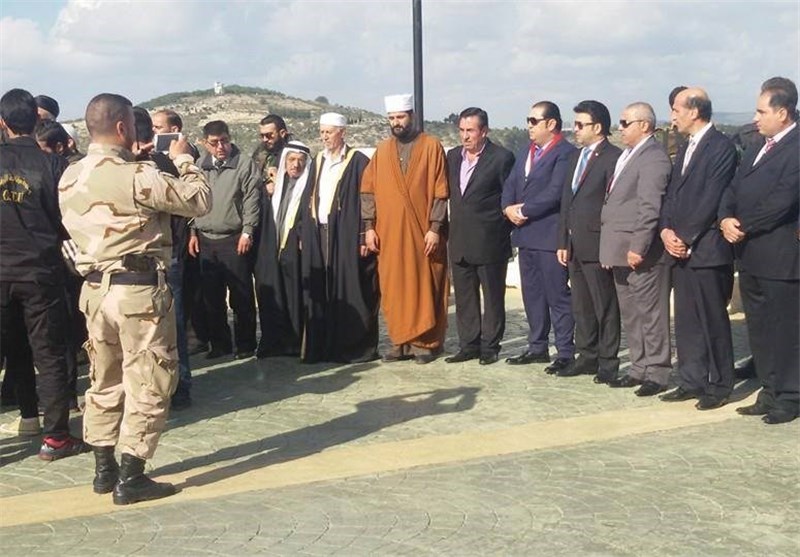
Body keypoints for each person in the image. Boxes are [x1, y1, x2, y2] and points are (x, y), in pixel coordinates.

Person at [58, 92, 211, 504]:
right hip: (138, 292)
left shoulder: (69, 176)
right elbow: (199, 200)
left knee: (103, 380)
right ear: (123, 127)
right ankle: (132, 476)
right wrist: (183, 159)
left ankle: (103, 469)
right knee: (149, 380)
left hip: (94, 291)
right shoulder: (138, 175)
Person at [0, 88, 81, 457]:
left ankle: (29, 418)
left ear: (3, 122)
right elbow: (67, 220)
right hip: (40, 270)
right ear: (36, 119)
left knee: (16, 349)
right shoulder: (52, 165)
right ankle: (56, 436)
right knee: (48, 353)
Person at [719, 77, 799, 424]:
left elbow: (783, 200)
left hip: (780, 255)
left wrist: (743, 225)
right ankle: (768, 390)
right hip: (750, 255)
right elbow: (733, 186)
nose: (755, 118)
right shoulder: (756, 147)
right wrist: (725, 218)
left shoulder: (796, 147)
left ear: (782, 113)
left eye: (761, 111)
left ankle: (791, 395)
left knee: (785, 330)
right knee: (760, 328)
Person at [659, 88, 738, 410]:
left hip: (707, 249)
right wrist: (665, 230)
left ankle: (720, 384)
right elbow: (672, 195)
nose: (672, 116)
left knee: (712, 321)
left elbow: (711, 198)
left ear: (694, 111)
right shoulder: (685, 147)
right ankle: (692, 379)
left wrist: (685, 237)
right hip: (679, 249)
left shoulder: (721, 147)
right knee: (688, 321)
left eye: (676, 109)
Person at [360, 93, 449, 364]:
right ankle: (400, 342)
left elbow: (440, 191)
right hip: (389, 234)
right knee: (393, 286)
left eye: (400, 117)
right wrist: (369, 227)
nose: (396, 122)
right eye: (391, 118)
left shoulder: (432, 146)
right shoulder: (382, 150)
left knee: (424, 285)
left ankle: (425, 343)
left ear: (412, 116)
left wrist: (435, 227)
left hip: (422, 233)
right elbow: (368, 191)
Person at [599, 102, 673, 397]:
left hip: (641, 252)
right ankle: (638, 367)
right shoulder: (628, 155)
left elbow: (649, 207)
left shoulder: (653, 157)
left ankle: (657, 372)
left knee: (650, 314)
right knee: (631, 314)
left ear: (644, 125)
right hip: (619, 250)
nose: (620, 128)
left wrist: (638, 246)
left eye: (625, 122)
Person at [501, 101, 576, 372]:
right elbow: (511, 183)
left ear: (551, 123)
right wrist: (507, 208)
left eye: (534, 121)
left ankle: (565, 350)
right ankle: (537, 346)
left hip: (549, 236)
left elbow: (555, 193)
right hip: (525, 236)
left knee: (557, 295)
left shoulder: (565, 153)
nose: (529, 126)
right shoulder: (526, 151)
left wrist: (523, 210)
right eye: (528, 120)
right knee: (532, 295)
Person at [300, 113, 380, 363]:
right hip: (320, 233)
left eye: (329, 132)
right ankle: (324, 347)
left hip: (346, 235)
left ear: (342, 132)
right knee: (323, 289)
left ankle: (353, 349)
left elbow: (368, 201)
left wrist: (363, 235)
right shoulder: (318, 160)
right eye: (322, 132)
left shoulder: (358, 161)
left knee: (349, 288)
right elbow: (309, 196)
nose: (324, 137)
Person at [555, 101, 622, 383]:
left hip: (597, 244)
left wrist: (609, 245)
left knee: (604, 304)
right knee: (581, 304)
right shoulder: (575, 157)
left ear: (598, 127)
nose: (576, 130)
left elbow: (613, 204)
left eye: (581, 125)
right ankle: (587, 355)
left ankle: (608, 361)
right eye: (575, 124)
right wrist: (563, 240)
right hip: (574, 245)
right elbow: (566, 201)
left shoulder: (613, 157)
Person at [132, 107, 193, 410]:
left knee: (161, 327)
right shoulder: (162, 164)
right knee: (169, 326)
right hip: (162, 257)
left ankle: (169, 387)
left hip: (149, 261)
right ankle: (174, 387)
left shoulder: (153, 165)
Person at [445, 107, 514, 366]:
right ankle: (469, 345)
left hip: (490, 241)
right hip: (460, 240)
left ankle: (490, 346)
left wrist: (502, 231)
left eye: (470, 131)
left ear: (484, 131)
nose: (465, 136)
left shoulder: (501, 158)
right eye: (461, 130)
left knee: (493, 298)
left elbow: (509, 197)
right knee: (464, 298)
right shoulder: (453, 156)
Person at [189, 120, 260, 360]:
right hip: (206, 240)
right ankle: (220, 344)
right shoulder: (200, 166)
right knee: (212, 297)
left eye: (224, 141)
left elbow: (251, 200)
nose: (220, 147)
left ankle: (246, 344)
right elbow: (193, 200)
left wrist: (247, 231)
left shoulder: (244, 164)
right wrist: (192, 232)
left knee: (241, 296)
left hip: (234, 239)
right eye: (214, 143)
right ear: (205, 143)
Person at [253, 141, 312, 358]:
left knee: (295, 296)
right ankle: (273, 342)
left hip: (295, 251)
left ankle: (295, 343)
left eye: (300, 161)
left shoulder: (309, 187)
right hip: (272, 249)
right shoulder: (274, 186)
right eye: (291, 160)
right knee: (272, 296)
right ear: (284, 161)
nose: (296, 165)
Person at [252, 114, 290, 196]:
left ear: (282, 133)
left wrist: (278, 183)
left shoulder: (294, 154)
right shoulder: (260, 152)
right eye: (262, 136)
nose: (265, 139)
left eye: (269, 135)